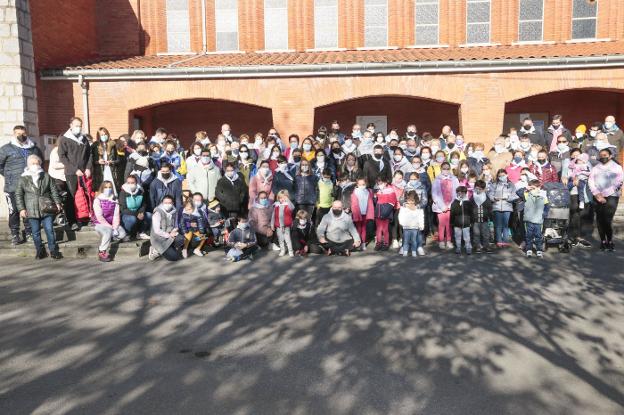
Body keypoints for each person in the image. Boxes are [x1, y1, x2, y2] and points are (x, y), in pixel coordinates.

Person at [0, 125, 44, 244]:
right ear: (14, 134)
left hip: (29, 186)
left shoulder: (33, 148)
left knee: (28, 209)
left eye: (23, 134)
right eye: (18, 134)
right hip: (12, 186)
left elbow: (41, 163)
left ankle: (29, 232)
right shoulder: (6, 149)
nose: (21, 136)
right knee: (14, 210)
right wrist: (8, 175)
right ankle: (15, 234)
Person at [15, 155, 63, 259]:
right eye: (33, 163)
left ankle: (53, 250)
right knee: (35, 233)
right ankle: (40, 250)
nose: (35, 165)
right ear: (28, 165)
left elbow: (53, 190)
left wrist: (57, 202)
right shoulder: (23, 178)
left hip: (46, 207)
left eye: (37, 163)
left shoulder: (46, 176)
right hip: (31, 209)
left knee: (49, 230)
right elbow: (18, 194)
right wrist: (21, 209)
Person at [57, 117, 93, 231]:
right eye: (76, 125)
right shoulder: (64, 139)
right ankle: (72, 221)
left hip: (84, 172)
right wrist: (74, 169)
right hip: (72, 173)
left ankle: (85, 217)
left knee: (86, 194)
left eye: (80, 125)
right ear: (71, 125)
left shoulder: (84, 139)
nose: (78, 128)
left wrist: (88, 168)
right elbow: (62, 156)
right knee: (72, 197)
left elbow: (90, 155)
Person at [589, 148, 623, 251]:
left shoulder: (616, 167)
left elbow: (619, 182)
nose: (603, 157)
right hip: (597, 196)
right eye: (601, 155)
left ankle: (610, 241)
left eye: (605, 155)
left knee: (607, 219)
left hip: (612, 196)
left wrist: (605, 194)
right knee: (599, 219)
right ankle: (603, 241)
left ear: (610, 156)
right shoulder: (596, 168)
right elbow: (591, 181)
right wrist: (597, 194)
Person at [93, 181, 128, 262]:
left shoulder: (114, 200)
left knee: (122, 234)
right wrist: (111, 227)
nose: (108, 189)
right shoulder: (98, 200)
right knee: (108, 232)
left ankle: (110, 237)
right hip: (100, 223)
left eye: (109, 187)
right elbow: (99, 216)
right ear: (102, 188)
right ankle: (102, 251)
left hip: (112, 224)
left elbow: (116, 216)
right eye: (105, 187)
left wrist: (115, 228)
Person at [432, 162, 459, 250]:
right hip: (440, 206)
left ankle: (449, 240)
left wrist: (451, 204)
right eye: (444, 168)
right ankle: (441, 240)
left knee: (449, 224)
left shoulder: (454, 179)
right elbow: (434, 194)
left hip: (451, 205)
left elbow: (457, 192)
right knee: (442, 224)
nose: (446, 170)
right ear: (441, 169)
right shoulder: (437, 180)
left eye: (448, 168)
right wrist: (442, 206)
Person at [488, 169, 518, 247]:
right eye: (500, 176)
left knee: (505, 225)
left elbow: (514, 195)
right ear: (497, 176)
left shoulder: (511, 184)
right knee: (498, 225)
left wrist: (508, 198)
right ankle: (499, 240)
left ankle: (505, 240)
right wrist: (494, 198)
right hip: (497, 206)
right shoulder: (494, 184)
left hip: (507, 207)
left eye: (503, 175)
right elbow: (490, 193)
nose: (501, 177)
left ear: (506, 175)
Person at [149, 195, 184, 261]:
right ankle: (155, 250)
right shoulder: (158, 212)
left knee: (181, 239)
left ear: (173, 203)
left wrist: (174, 230)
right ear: (162, 203)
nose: (168, 204)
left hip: (169, 235)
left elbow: (176, 225)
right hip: (159, 239)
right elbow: (157, 230)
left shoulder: (174, 211)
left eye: (170, 203)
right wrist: (169, 235)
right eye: (166, 203)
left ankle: (169, 248)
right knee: (174, 257)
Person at [522, 179, 549, 258]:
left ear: (539, 187)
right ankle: (529, 249)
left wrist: (545, 213)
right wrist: (526, 189)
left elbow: (547, 206)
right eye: (531, 188)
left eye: (534, 188)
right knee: (528, 235)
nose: (533, 190)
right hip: (528, 220)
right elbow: (518, 193)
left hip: (538, 220)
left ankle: (539, 250)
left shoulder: (543, 196)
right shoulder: (527, 194)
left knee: (538, 236)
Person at [119, 175, 150, 240]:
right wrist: (136, 214)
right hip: (127, 214)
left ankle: (141, 232)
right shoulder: (123, 192)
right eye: (129, 183)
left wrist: (142, 212)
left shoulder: (141, 191)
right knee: (132, 219)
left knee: (149, 215)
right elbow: (123, 209)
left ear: (136, 183)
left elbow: (143, 204)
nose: (131, 184)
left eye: (132, 183)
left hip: (138, 212)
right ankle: (128, 233)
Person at [374, 178, 399, 251]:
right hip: (378, 212)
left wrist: (386, 212)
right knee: (378, 229)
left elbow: (392, 202)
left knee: (385, 229)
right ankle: (378, 243)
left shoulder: (390, 191)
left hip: (386, 212)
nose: (379, 185)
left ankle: (386, 243)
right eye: (378, 183)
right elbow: (376, 202)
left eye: (380, 183)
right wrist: (375, 197)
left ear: (385, 183)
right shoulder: (378, 191)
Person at [398, 191, 425, 257]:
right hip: (406, 227)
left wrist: (421, 225)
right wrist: (402, 223)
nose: (411, 202)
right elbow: (400, 216)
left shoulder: (418, 208)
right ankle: (405, 251)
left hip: (415, 227)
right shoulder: (403, 207)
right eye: (409, 200)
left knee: (414, 241)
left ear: (415, 200)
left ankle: (414, 251)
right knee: (406, 240)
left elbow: (421, 217)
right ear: (407, 200)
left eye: (412, 200)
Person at [350, 177, 374, 250]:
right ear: (357, 184)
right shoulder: (355, 192)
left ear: (366, 184)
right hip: (358, 213)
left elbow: (370, 202)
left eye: (363, 184)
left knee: (364, 229)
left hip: (365, 214)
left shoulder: (368, 191)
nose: (362, 186)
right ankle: (358, 242)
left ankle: (363, 243)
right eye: (360, 184)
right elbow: (354, 204)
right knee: (358, 229)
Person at [471, 180, 493, 253]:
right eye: (477, 188)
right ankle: (477, 246)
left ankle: (486, 246)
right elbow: (469, 208)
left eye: (480, 189)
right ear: (474, 188)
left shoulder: (486, 198)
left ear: (484, 189)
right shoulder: (472, 197)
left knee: (485, 234)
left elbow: (490, 208)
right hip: (475, 220)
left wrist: (490, 216)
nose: (478, 190)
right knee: (476, 234)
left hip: (484, 219)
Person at [450, 186, 473, 255]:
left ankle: (468, 248)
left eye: (462, 193)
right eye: (459, 193)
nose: (460, 194)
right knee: (457, 236)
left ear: (465, 193)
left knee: (467, 237)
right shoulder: (454, 202)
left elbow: (471, 213)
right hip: (457, 223)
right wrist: (451, 222)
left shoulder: (468, 202)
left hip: (466, 223)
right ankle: (458, 248)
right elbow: (452, 213)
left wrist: (471, 221)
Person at [271, 190, 295, 257]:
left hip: (286, 226)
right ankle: (282, 250)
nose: (282, 199)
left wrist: (287, 199)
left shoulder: (288, 205)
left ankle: (290, 251)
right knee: (280, 240)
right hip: (278, 226)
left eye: (283, 197)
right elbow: (273, 216)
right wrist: (272, 224)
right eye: (280, 198)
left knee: (288, 239)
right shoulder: (276, 205)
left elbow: (292, 207)